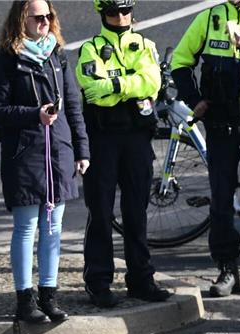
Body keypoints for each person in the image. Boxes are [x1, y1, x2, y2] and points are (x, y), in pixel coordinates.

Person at [0, 0, 89, 324]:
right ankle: (24, 299)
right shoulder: (7, 60)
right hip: (25, 153)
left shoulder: (57, 55)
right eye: (37, 17)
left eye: (48, 16)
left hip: (57, 152)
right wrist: (34, 115)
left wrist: (82, 149)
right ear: (22, 20)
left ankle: (49, 295)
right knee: (27, 226)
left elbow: (73, 105)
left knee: (53, 227)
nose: (44, 22)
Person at [171, 0, 240, 298]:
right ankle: (227, 269)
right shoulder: (208, 18)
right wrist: (193, 98)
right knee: (221, 199)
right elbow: (180, 61)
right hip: (220, 126)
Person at [75, 0, 170, 308]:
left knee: (136, 212)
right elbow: (93, 91)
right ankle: (99, 282)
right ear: (102, 13)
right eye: (113, 12)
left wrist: (114, 84)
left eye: (125, 11)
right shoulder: (90, 49)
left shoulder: (145, 45)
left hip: (137, 140)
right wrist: (132, 85)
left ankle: (141, 280)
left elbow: (152, 83)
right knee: (100, 212)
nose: (120, 17)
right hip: (102, 140)